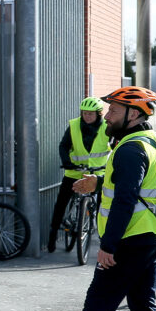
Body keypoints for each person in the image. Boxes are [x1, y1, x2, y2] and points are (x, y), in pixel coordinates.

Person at [33, 86, 156, 311]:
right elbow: (134, 184)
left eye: (115, 111)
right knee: (142, 303)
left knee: (100, 299)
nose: (107, 115)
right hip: (152, 234)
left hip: (130, 239)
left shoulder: (131, 149)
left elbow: (125, 198)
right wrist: (97, 181)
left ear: (134, 114)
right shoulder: (150, 141)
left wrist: (108, 245)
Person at [47, 97, 110, 252]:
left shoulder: (107, 127)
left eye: (90, 114)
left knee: (105, 206)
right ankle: (53, 233)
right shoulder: (74, 125)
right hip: (75, 172)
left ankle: (105, 240)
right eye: (84, 113)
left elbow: (116, 146)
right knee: (61, 203)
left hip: (98, 174)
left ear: (98, 114)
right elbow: (64, 146)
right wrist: (67, 162)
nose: (87, 116)